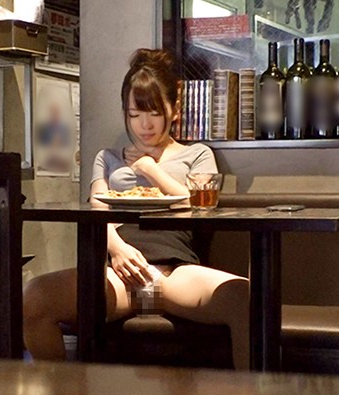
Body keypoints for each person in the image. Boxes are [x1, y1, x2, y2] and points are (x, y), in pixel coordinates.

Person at [23, 48, 249, 370]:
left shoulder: (197, 154)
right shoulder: (108, 158)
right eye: (134, 114)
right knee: (34, 297)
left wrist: (150, 169)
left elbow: (202, 204)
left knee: (245, 297)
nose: (144, 125)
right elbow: (97, 210)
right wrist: (117, 250)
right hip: (120, 278)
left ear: (174, 110)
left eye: (154, 113)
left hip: (173, 275)